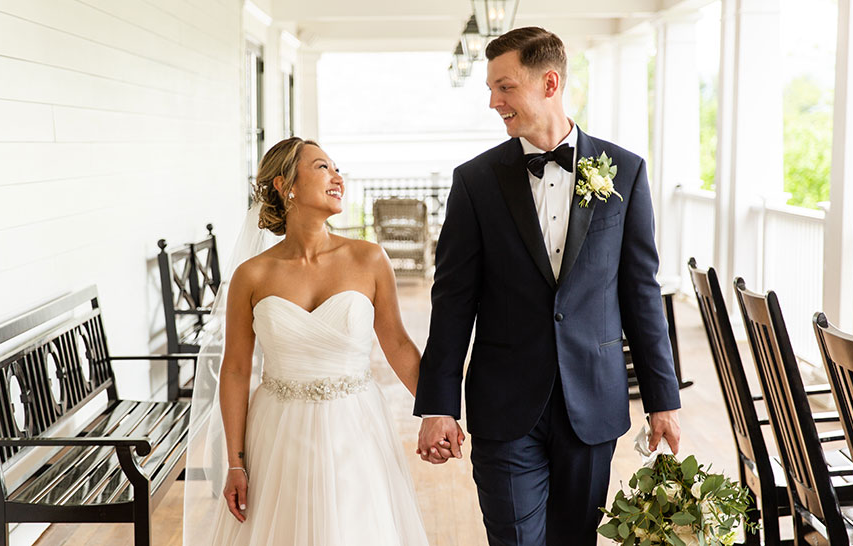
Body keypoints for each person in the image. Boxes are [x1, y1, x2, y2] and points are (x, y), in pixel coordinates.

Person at [413, 27, 683, 545]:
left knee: (575, 538)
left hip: (594, 402)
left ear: (549, 82)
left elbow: (640, 295)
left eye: (505, 87)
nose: (493, 102)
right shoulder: (475, 182)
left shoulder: (624, 172)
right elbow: (452, 301)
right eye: (491, 90)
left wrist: (662, 399)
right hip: (504, 405)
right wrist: (438, 405)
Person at [207, 137, 437, 545]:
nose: (337, 177)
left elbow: (399, 346)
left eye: (337, 168)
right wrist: (236, 463)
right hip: (277, 435)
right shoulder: (252, 275)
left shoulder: (369, 259)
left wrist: (439, 412)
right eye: (322, 167)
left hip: (356, 429)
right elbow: (237, 369)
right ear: (285, 185)